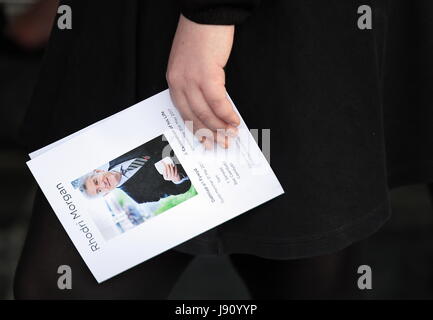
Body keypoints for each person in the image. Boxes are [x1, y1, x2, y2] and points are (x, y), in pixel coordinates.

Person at [14, 0, 433, 299]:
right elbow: (170, 195)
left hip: (265, 32)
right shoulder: (133, 194)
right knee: (57, 286)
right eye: (97, 185)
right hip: (147, 40)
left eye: (93, 178)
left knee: (309, 265)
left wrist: (212, 14)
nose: (101, 180)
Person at [75, 136, 191, 202]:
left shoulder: (114, 151)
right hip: (193, 160)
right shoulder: (139, 196)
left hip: (178, 131)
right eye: (99, 190)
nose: (102, 185)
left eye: (96, 181)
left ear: (99, 171)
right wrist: (177, 179)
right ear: (106, 194)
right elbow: (179, 190)